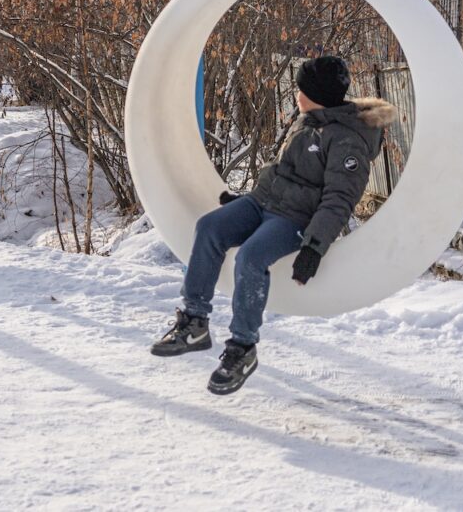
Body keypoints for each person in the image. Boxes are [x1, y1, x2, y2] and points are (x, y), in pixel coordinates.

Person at [150, 56, 395, 395]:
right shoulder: (309, 120)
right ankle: (194, 322)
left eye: (301, 88)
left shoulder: (347, 140)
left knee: (250, 257)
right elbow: (283, 169)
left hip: (294, 219)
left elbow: (339, 198)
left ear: (314, 93)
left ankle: (242, 349)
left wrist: (314, 246)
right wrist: (248, 199)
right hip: (262, 203)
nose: (296, 94)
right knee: (210, 227)